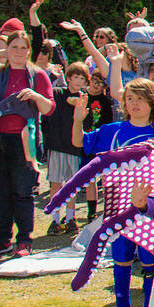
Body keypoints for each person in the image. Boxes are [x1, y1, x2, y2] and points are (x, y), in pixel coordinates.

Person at [72, 78, 154, 307]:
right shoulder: (112, 131)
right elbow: (80, 142)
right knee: (121, 259)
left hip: (150, 208)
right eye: (129, 99)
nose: (134, 104)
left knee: (151, 261)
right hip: (118, 206)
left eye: (140, 99)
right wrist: (78, 119)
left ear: (152, 102)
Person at [0, 29, 56, 257]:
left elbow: (49, 108)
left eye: (23, 48)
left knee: (22, 192)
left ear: (29, 51)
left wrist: (35, 96)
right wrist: (0, 52)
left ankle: (24, 240)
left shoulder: (37, 75)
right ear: (7, 49)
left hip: (24, 141)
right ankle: (2, 239)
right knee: (1, 192)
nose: (19, 52)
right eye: (14, 47)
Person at [43, 63, 93, 235]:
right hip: (56, 146)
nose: (78, 81)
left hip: (74, 148)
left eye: (82, 78)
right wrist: (53, 76)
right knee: (55, 185)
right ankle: (55, 219)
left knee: (72, 185)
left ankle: (71, 218)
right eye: (75, 77)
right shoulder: (57, 93)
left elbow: (88, 123)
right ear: (69, 78)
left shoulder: (85, 98)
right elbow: (44, 99)